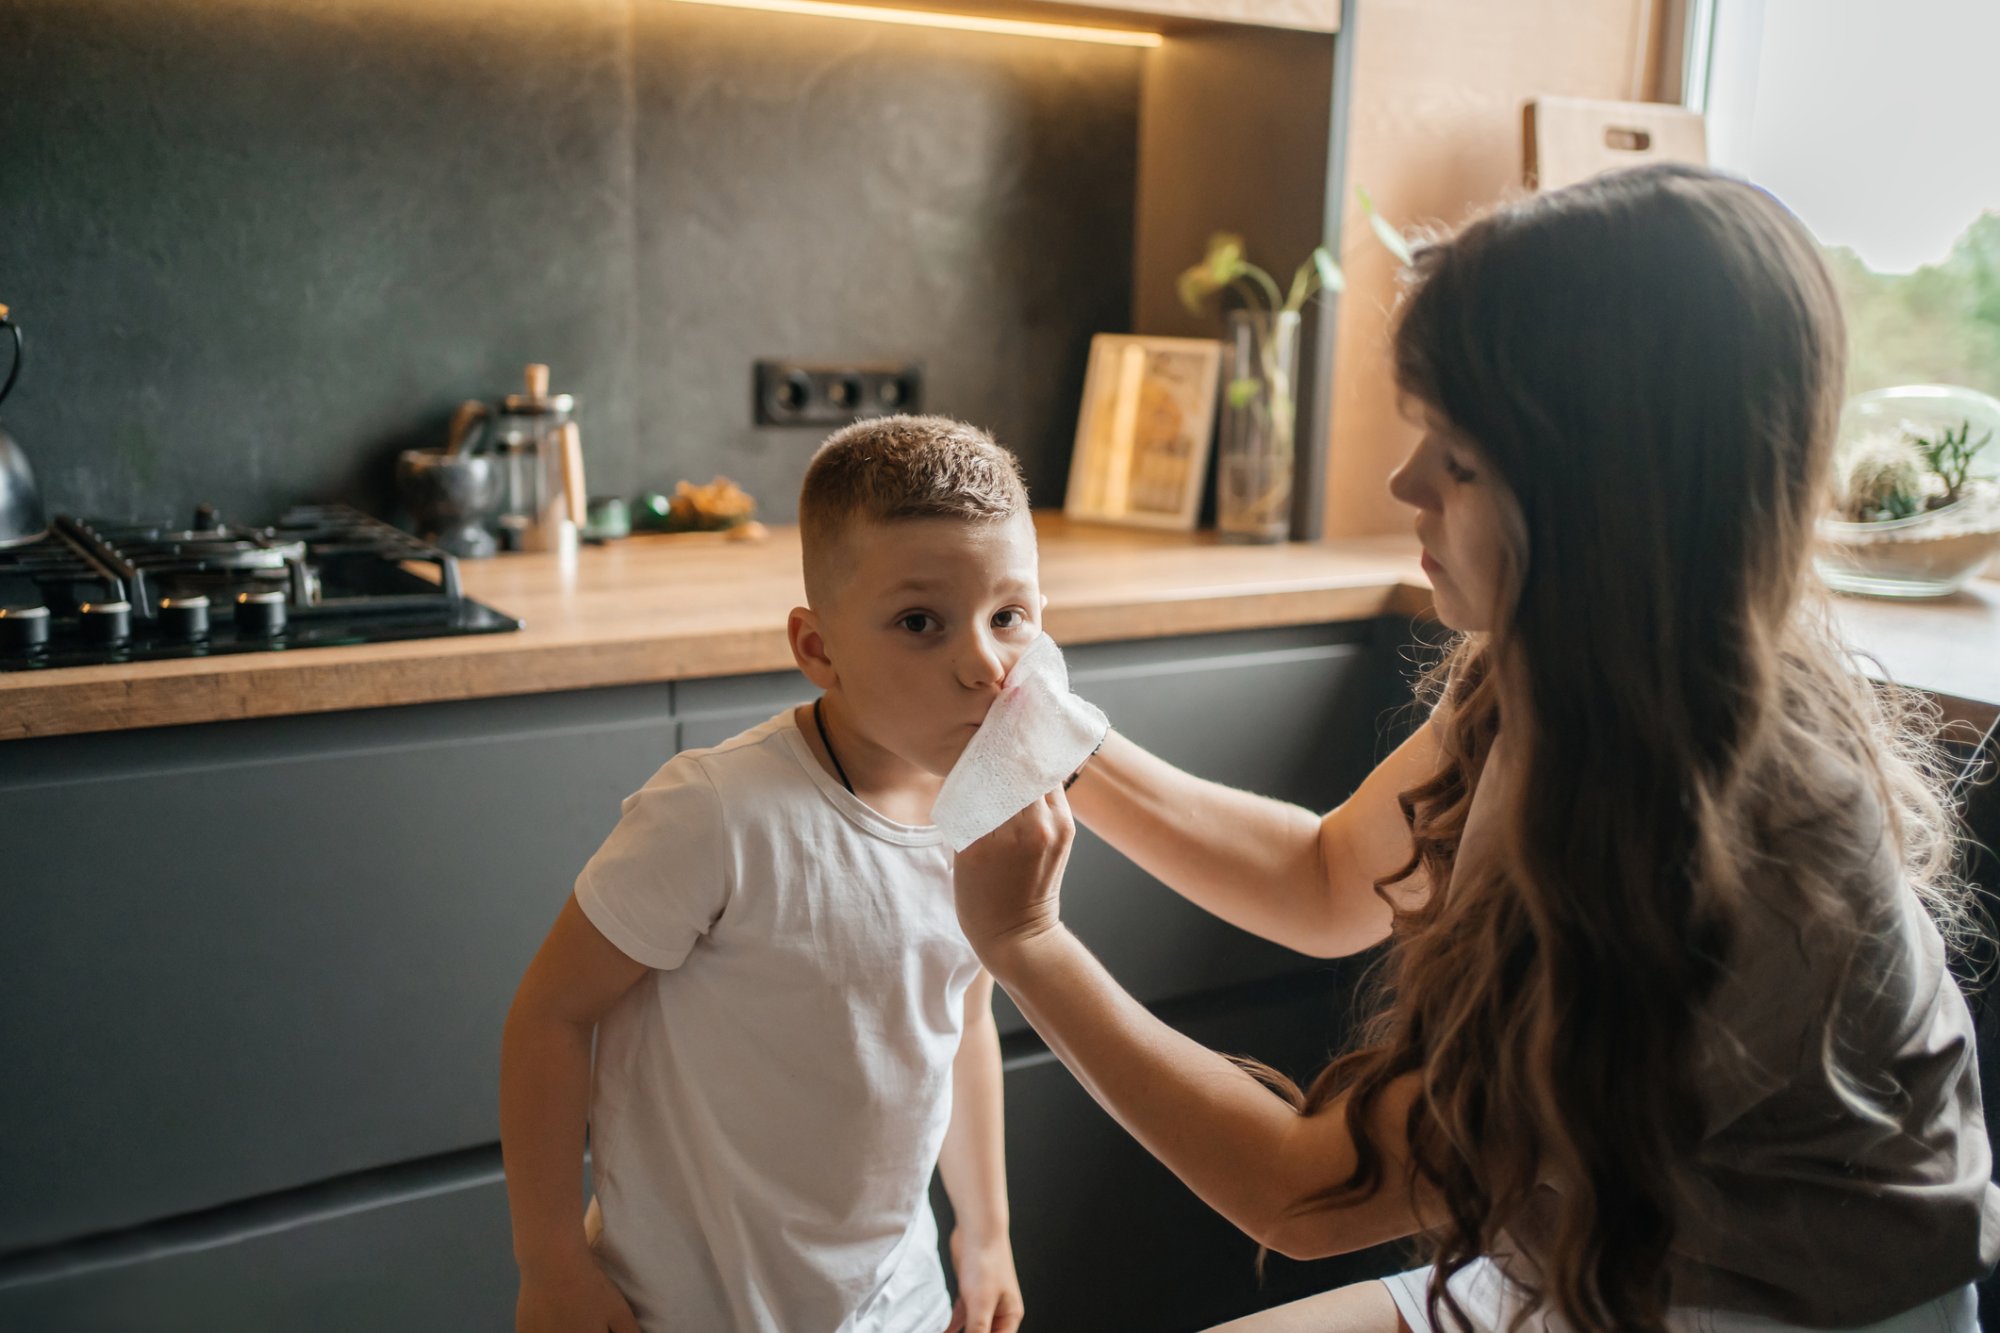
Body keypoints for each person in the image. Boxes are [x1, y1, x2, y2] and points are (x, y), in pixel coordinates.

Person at [950, 164, 2000, 1332]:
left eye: (1455, 456)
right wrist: (1046, 735)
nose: (1402, 482)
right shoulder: (1555, 661)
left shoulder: (1703, 838)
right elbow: (1319, 878)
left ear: (1601, 493)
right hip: (1606, 1252)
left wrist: (1024, 941)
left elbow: (1300, 1191)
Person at [500, 415, 1034, 1333]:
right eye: (920, 622)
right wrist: (550, 1261)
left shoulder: (990, 816)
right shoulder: (715, 813)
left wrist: (985, 1232)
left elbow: (965, 1019)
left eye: (1008, 616)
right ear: (817, 647)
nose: (984, 664)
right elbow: (549, 1015)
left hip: (897, 1308)